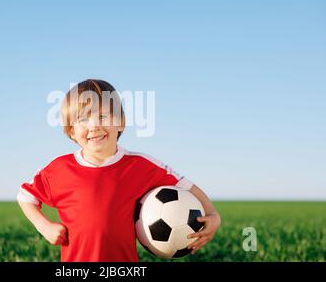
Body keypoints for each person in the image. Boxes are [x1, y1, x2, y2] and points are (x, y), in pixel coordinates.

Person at [17, 79, 221, 262]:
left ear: (121, 122)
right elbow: (26, 197)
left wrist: (212, 214)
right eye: (82, 119)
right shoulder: (59, 169)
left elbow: (184, 185)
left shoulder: (140, 165)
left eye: (103, 116)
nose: (94, 126)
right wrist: (44, 226)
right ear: (71, 130)